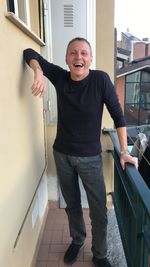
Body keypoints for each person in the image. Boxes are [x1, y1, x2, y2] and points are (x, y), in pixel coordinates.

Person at [23, 37, 137, 267]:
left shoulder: (101, 80)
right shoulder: (60, 76)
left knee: (99, 212)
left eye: (84, 53)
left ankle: (100, 254)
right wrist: (38, 72)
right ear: (66, 59)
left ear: (90, 59)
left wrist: (124, 150)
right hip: (62, 155)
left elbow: (118, 115)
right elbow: (28, 52)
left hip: (91, 159)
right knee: (72, 205)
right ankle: (77, 240)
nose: (79, 57)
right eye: (73, 53)